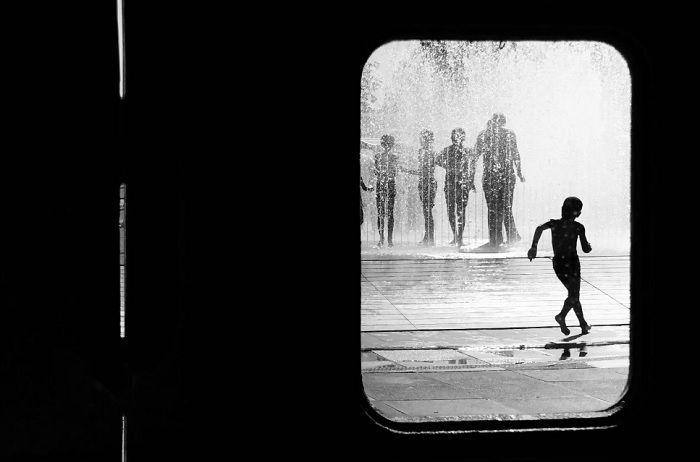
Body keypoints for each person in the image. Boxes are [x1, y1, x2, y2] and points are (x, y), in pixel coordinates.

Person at [527, 197, 593, 335]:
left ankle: (583, 324)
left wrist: (534, 247)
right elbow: (585, 249)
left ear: (563, 209)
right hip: (573, 264)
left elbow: (539, 228)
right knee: (574, 295)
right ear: (578, 213)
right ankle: (562, 316)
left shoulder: (554, 224)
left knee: (573, 294)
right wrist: (589, 247)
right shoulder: (578, 227)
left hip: (559, 264)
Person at [474, 113, 525, 248]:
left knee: (493, 208)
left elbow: (474, 156)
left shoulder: (483, 135)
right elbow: (516, 154)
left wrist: (470, 177)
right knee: (505, 207)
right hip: (508, 176)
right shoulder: (508, 134)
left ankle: (496, 239)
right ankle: (510, 236)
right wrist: (519, 172)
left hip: (491, 177)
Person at [436, 128, 475, 247]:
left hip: (456, 183)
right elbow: (436, 160)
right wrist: (449, 167)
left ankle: (458, 237)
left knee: (456, 210)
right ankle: (457, 237)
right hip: (458, 182)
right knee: (456, 210)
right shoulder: (450, 150)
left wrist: (449, 167)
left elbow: (472, 166)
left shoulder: (463, 151)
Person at [400, 129, 437, 245]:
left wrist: (407, 170)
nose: (420, 140)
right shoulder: (423, 151)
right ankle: (428, 237)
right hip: (425, 183)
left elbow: (424, 172)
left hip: (428, 183)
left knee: (427, 211)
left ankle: (430, 238)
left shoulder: (429, 152)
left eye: (423, 138)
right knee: (426, 211)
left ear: (428, 140)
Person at [360, 135, 398, 247]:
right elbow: (391, 172)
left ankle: (385, 240)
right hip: (386, 185)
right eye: (385, 144)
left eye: (387, 144)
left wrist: (380, 173)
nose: (386, 146)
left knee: (385, 213)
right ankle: (386, 240)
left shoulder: (386, 156)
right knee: (385, 213)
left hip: (385, 185)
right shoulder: (384, 156)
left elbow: (390, 172)